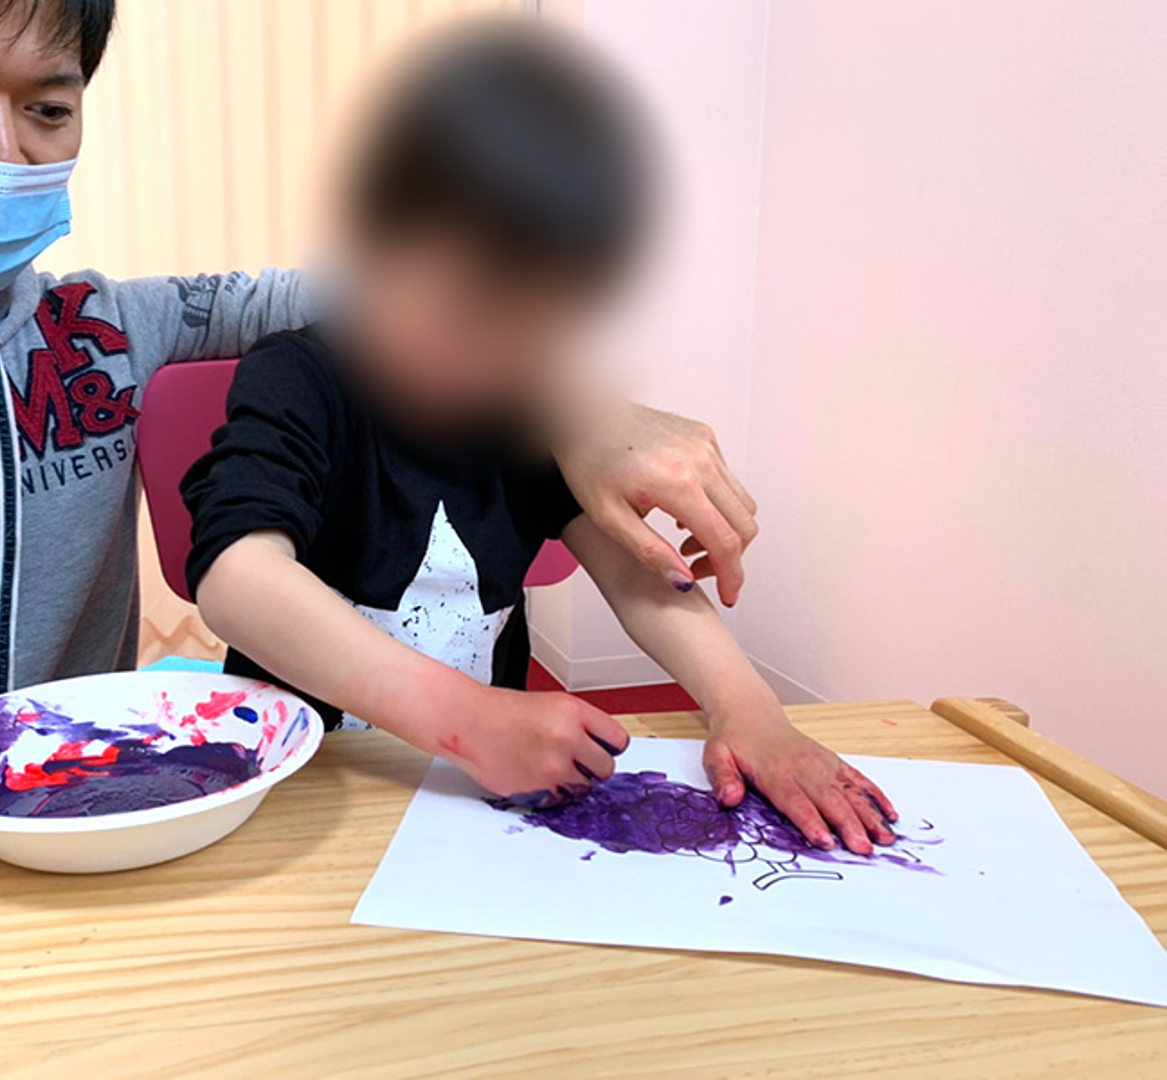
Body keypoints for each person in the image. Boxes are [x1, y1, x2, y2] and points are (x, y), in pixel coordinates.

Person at [0, 0, 760, 1062]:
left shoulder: (101, 334)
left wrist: (585, 411)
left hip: (87, 920)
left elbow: (428, 296)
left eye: (47, 108)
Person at [186, 22, 898, 850]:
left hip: (468, 812)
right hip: (307, 793)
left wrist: (748, 708)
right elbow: (238, 577)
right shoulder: (298, 377)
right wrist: (464, 719)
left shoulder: (522, 407)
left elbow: (634, 571)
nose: (500, 357)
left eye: (541, 325)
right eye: (472, 309)